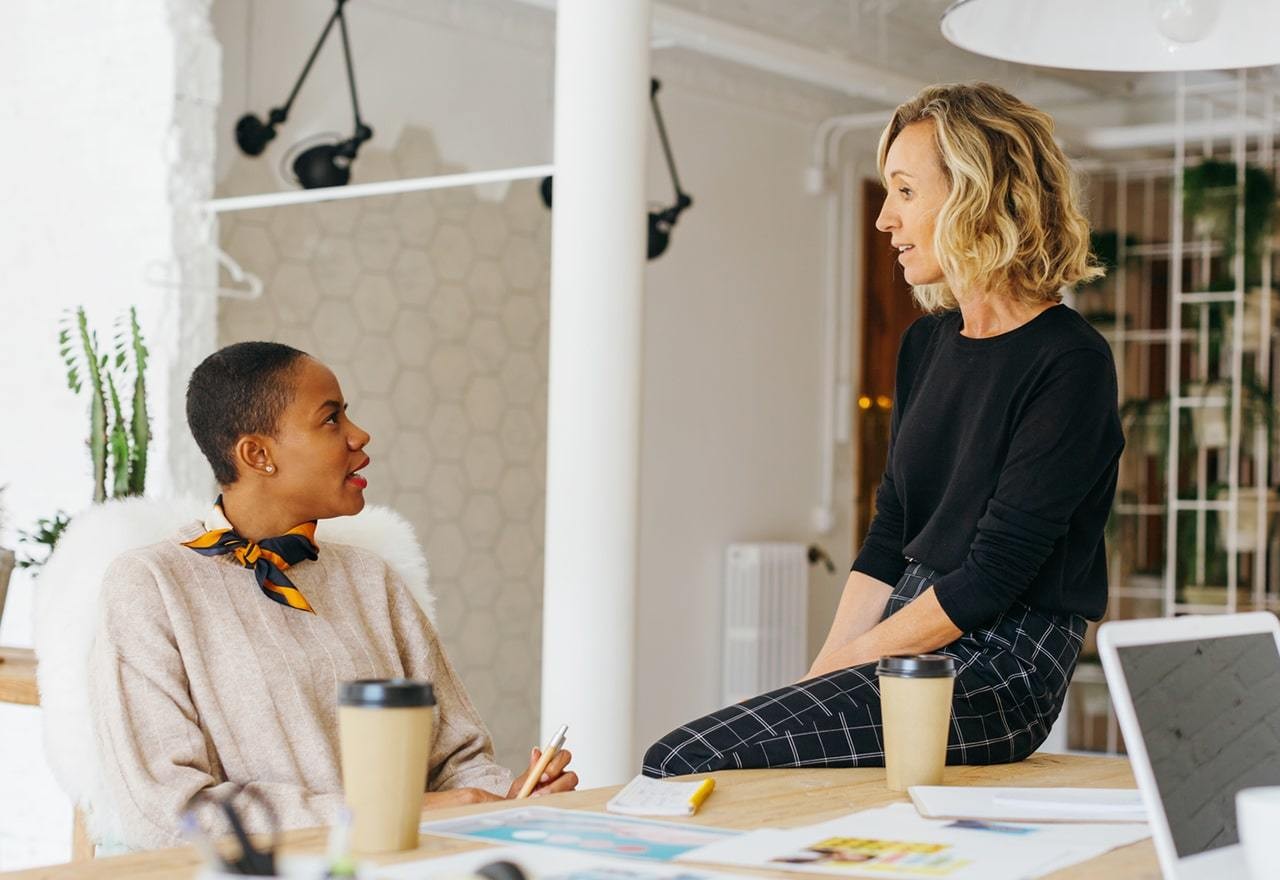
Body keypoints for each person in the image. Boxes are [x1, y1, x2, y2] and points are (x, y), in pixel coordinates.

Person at [643, 82, 1123, 776]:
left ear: (977, 196)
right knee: (709, 755)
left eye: (903, 191)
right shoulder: (924, 345)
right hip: (909, 632)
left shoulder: (1070, 361)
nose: (884, 220)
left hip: (1003, 665)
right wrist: (820, 676)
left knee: (684, 758)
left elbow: (992, 577)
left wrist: (838, 670)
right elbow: (890, 536)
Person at [90, 342, 577, 849]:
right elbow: (170, 812)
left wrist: (513, 793)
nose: (360, 435)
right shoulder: (149, 586)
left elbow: (457, 763)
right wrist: (385, 813)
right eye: (331, 419)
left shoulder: (372, 580)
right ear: (258, 454)